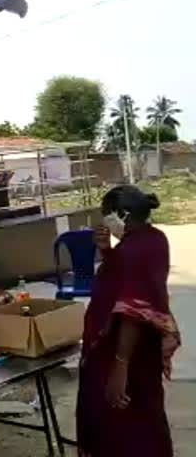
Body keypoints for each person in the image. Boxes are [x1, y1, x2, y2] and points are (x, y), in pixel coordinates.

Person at [77, 186, 180, 457]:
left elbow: (133, 309)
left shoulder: (137, 248)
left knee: (123, 426)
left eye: (107, 216)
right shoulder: (151, 239)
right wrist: (106, 251)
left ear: (122, 214)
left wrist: (120, 367)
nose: (105, 223)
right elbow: (121, 280)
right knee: (143, 417)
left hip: (122, 352)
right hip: (132, 351)